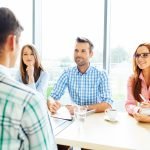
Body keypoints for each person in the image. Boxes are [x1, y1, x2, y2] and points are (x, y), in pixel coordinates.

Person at [0, 7, 57, 149]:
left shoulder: (43, 74)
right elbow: (36, 97)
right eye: (24, 53)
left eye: (31, 54)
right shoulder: (30, 102)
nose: (28, 57)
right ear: (12, 42)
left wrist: (31, 75)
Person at [47, 37, 113, 114]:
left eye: (83, 51)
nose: (78, 54)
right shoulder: (67, 73)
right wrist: (52, 104)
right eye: (76, 50)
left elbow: (108, 104)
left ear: (91, 54)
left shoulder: (101, 74)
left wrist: (81, 108)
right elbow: (52, 97)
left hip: (95, 117)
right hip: (75, 119)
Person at [125, 43, 150, 123]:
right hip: (141, 124)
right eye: (137, 55)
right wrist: (137, 110)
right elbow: (129, 104)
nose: (140, 58)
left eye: (145, 55)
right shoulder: (132, 79)